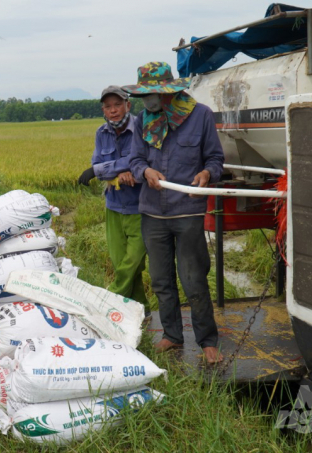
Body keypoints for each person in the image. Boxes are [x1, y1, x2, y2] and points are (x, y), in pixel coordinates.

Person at [124, 62, 225, 363]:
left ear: (167, 91)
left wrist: (208, 173)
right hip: (153, 213)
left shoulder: (201, 115)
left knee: (194, 279)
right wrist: (145, 170)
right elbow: (135, 160)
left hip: (187, 211)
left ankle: (207, 341)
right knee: (161, 280)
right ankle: (172, 335)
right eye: (144, 94)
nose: (147, 99)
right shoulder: (143, 120)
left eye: (152, 92)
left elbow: (216, 159)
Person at [77, 86, 149, 318]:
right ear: (103, 110)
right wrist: (118, 173)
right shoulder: (102, 132)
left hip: (141, 207)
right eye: (108, 107)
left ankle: (107, 306)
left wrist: (102, 171)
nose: (113, 110)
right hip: (114, 207)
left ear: (128, 105)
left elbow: (141, 160)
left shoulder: (142, 128)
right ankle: (141, 311)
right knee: (123, 264)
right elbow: (98, 161)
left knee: (131, 263)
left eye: (117, 105)